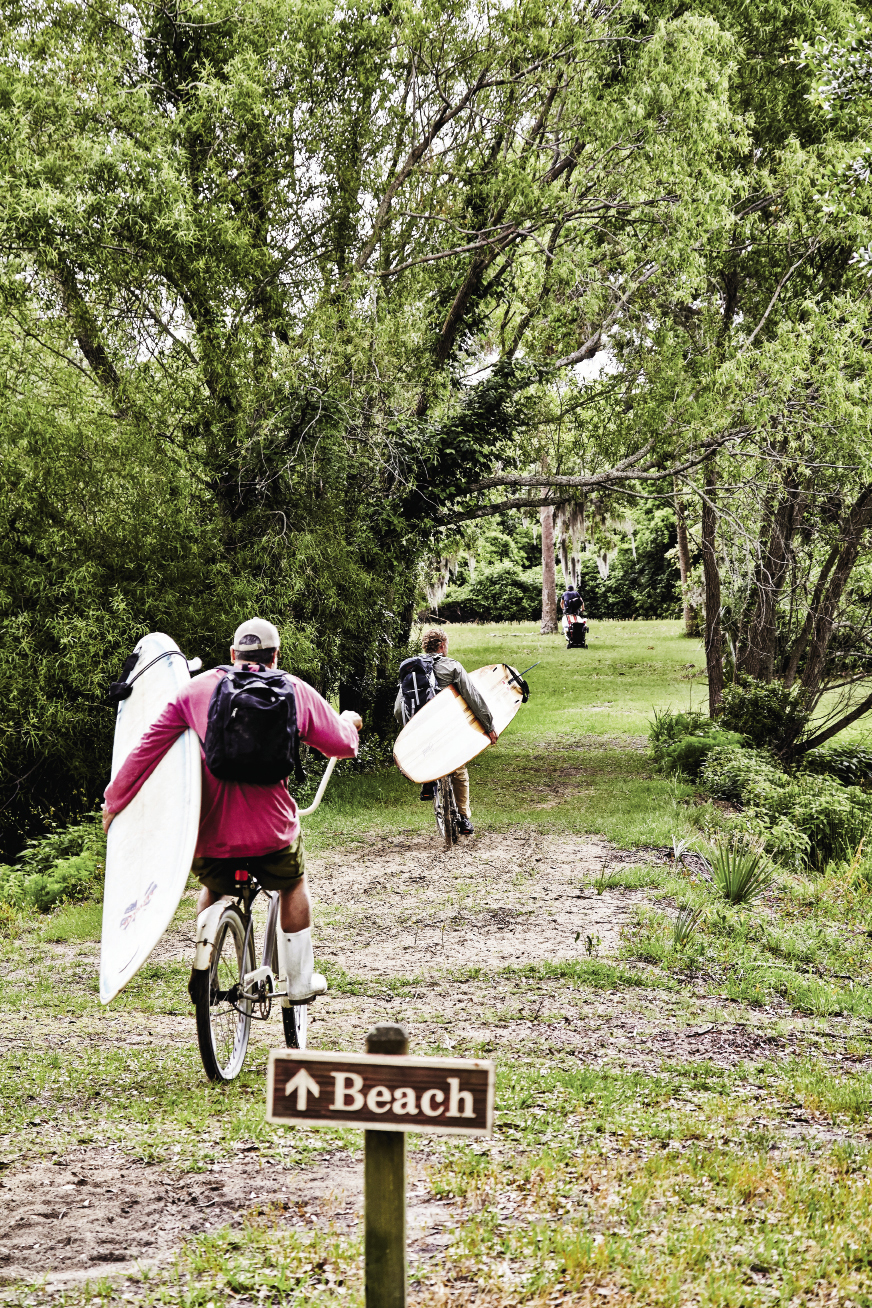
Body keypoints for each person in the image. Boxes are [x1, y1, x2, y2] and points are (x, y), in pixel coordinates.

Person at [102, 618, 361, 1004]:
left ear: (232, 655)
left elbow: (145, 751)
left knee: (213, 887)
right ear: (275, 656)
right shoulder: (294, 690)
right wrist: (348, 723)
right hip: (272, 835)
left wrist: (114, 803)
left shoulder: (195, 690)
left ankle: (207, 958)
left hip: (211, 838)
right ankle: (301, 980)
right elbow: (342, 746)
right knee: (292, 884)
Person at [394, 627, 497, 837]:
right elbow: (473, 697)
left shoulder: (411, 668)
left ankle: (428, 782)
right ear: (442, 646)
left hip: (420, 731)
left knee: (428, 755)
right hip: (448, 729)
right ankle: (464, 817)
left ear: (425, 646)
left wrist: (409, 730)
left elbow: (398, 708)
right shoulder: (452, 666)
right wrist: (489, 726)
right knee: (458, 770)